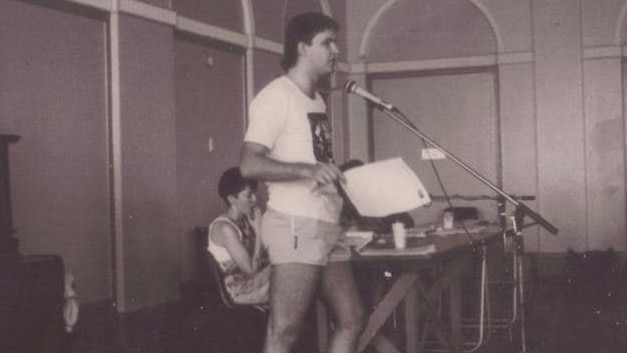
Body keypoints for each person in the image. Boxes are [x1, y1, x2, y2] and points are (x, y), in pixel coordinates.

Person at [239, 12, 365, 353]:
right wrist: (307, 171)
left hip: (327, 223)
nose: (336, 50)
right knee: (285, 331)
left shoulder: (317, 100)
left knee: (352, 318)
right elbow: (249, 164)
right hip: (295, 223)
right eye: (327, 42)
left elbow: (317, 163)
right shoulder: (276, 96)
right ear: (303, 47)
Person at [207, 167, 270, 305]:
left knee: (293, 268)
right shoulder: (225, 228)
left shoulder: (245, 221)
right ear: (232, 199)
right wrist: (258, 232)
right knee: (291, 277)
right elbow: (252, 272)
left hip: (255, 283)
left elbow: (264, 258)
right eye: (248, 195)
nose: (255, 199)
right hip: (241, 291)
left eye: (254, 193)